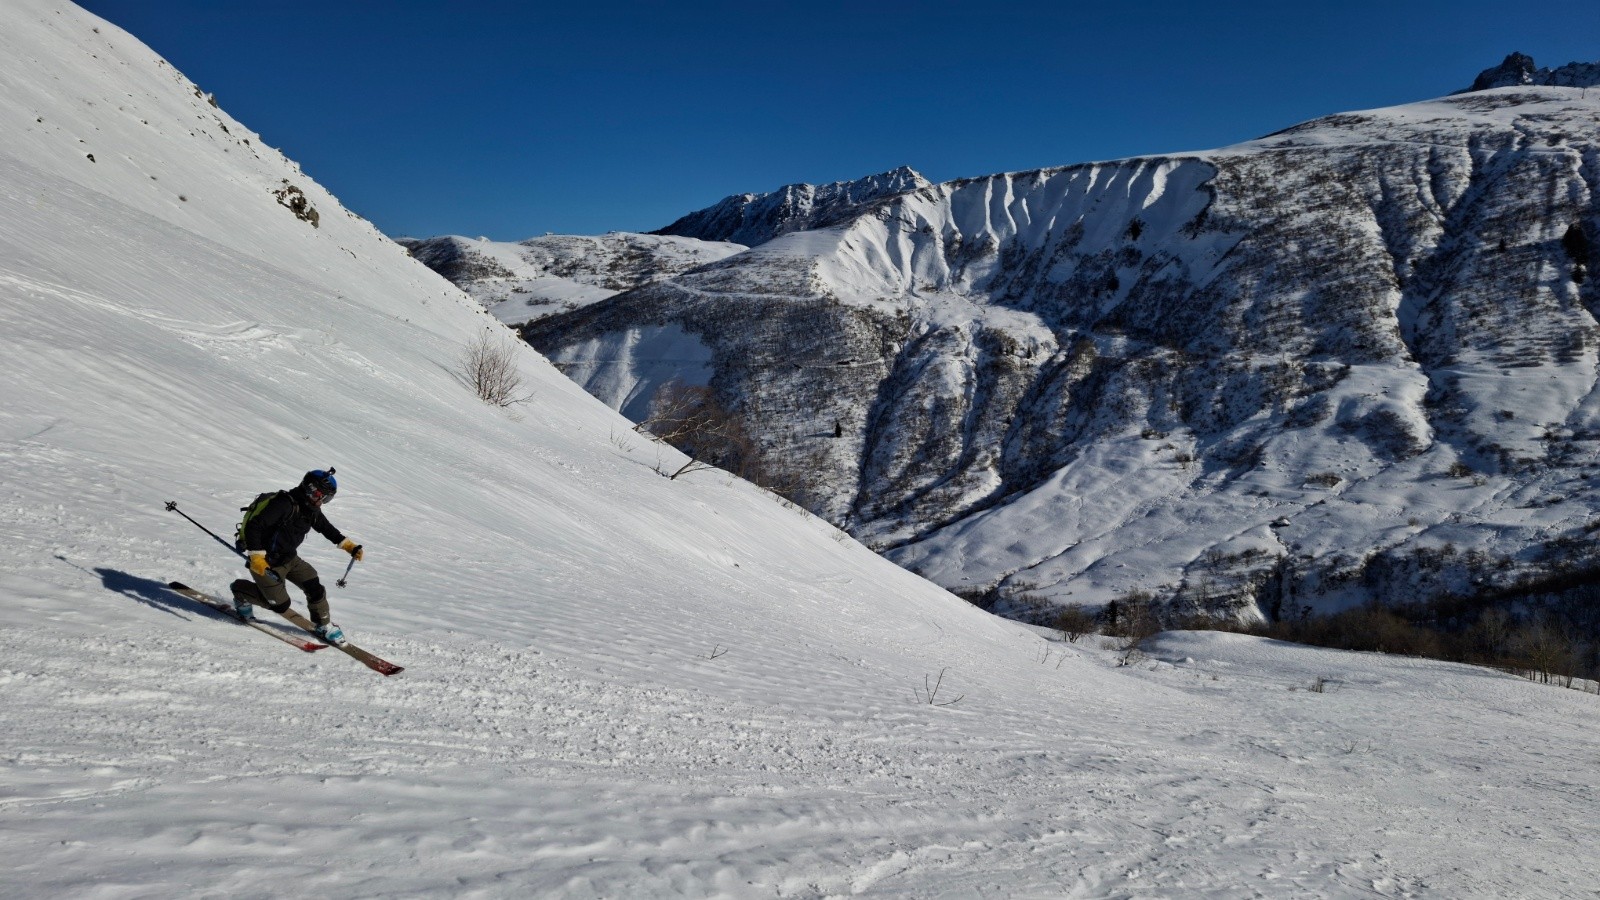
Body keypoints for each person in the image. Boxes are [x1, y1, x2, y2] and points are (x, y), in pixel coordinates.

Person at [230, 468, 364, 642]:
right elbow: (254, 526)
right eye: (322, 496)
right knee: (279, 605)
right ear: (310, 489)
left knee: (314, 586)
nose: (322, 501)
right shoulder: (283, 504)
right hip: (266, 562)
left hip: (289, 558)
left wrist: (349, 546)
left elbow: (325, 528)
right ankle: (240, 592)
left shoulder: (311, 509)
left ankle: (323, 625)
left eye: (327, 498)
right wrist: (256, 556)